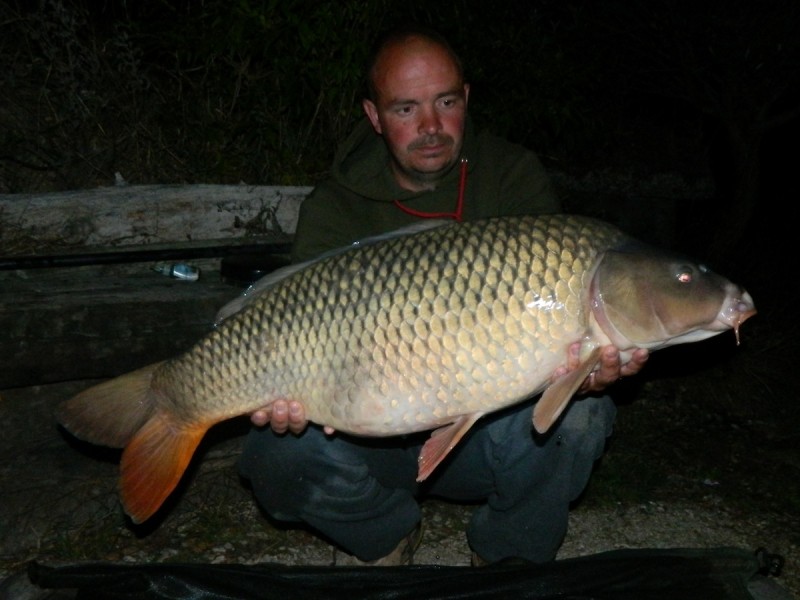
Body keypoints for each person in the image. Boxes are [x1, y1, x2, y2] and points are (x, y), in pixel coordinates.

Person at [239, 24, 649, 567]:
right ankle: (385, 537)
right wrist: (290, 398)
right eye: (405, 109)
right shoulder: (334, 208)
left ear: (466, 99)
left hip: (485, 441)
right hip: (371, 441)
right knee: (276, 455)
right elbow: (296, 327)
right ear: (373, 116)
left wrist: (588, 368)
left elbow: (564, 328)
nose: (430, 126)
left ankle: (508, 557)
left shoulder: (511, 178)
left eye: (446, 101)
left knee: (581, 415)